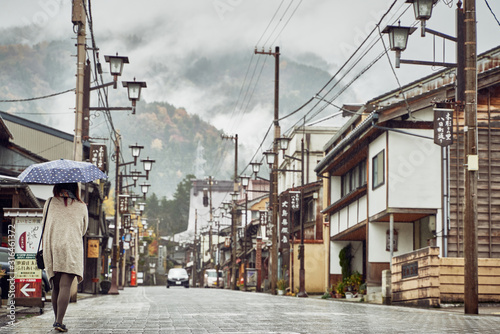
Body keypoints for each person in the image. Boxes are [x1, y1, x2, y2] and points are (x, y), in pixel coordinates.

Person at [42, 183, 88, 332]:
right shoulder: (81, 206)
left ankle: (57, 321)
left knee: (56, 286)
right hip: (71, 247)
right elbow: (83, 229)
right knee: (65, 285)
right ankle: (59, 322)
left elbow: (44, 224)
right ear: (75, 188)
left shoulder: (49, 202)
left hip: (52, 247)